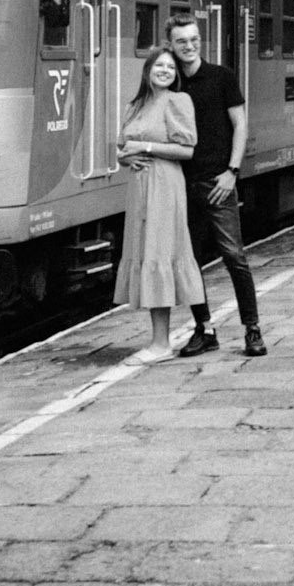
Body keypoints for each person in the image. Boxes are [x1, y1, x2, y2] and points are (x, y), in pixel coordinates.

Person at [165, 13, 264, 357]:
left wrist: (232, 171)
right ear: (172, 45)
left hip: (218, 181)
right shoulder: (170, 82)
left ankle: (253, 329)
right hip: (181, 185)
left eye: (193, 39)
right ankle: (204, 329)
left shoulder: (222, 77)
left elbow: (240, 125)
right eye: (181, 41)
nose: (189, 46)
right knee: (188, 262)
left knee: (234, 256)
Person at [113, 47, 205, 363]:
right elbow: (123, 148)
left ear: (175, 74)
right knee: (146, 253)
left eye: (170, 66)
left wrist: (146, 146)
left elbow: (187, 148)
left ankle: (161, 344)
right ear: (148, 70)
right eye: (159, 65)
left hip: (165, 185)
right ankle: (158, 341)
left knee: (158, 253)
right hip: (139, 188)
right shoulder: (135, 105)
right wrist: (126, 156)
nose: (164, 70)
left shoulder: (178, 101)